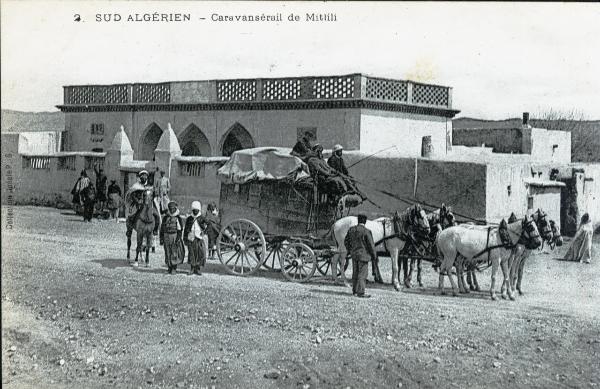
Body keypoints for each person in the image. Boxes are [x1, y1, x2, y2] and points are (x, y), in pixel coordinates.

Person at [344, 214, 377, 298]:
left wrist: (350, 250)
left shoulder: (351, 230)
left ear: (358, 220)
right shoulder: (366, 231)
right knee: (362, 274)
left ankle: (354, 290)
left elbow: (346, 241)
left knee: (355, 273)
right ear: (365, 221)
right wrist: (374, 256)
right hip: (364, 255)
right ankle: (361, 292)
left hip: (354, 255)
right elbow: (371, 245)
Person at [160, 201, 185, 274]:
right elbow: (162, 228)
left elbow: (180, 230)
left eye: (173, 208)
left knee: (174, 252)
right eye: (170, 208)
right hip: (166, 236)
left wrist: (178, 239)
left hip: (174, 236)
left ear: (175, 209)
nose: (171, 210)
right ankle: (169, 267)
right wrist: (161, 238)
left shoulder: (178, 218)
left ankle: (174, 268)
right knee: (167, 252)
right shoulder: (165, 218)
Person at [184, 201, 208, 275]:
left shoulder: (202, 218)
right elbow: (186, 229)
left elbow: (209, 225)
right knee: (192, 253)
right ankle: (192, 268)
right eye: (194, 210)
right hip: (191, 238)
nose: (195, 211)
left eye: (196, 210)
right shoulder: (189, 219)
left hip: (199, 238)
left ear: (199, 210)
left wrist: (204, 231)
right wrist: (185, 238)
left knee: (199, 253)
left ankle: (197, 269)